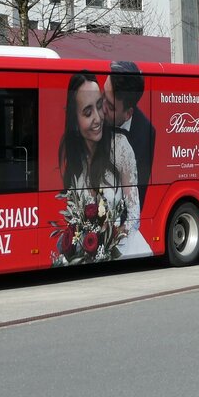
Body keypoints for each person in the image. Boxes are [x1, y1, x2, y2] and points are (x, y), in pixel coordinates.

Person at [57, 72, 150, 261]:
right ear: (74, 119)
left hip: (126, 250)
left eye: (99, 106)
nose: (98, 118)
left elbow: (134, 216)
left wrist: (109, 242)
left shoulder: (121, 147)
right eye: (87, 112)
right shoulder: (74, 161)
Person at [102, 60, 154, 207]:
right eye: (103, 94)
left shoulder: (145, 133)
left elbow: (137, 197)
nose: (102, 107)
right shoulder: (91, 113)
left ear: (128, 114)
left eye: (110, 106)